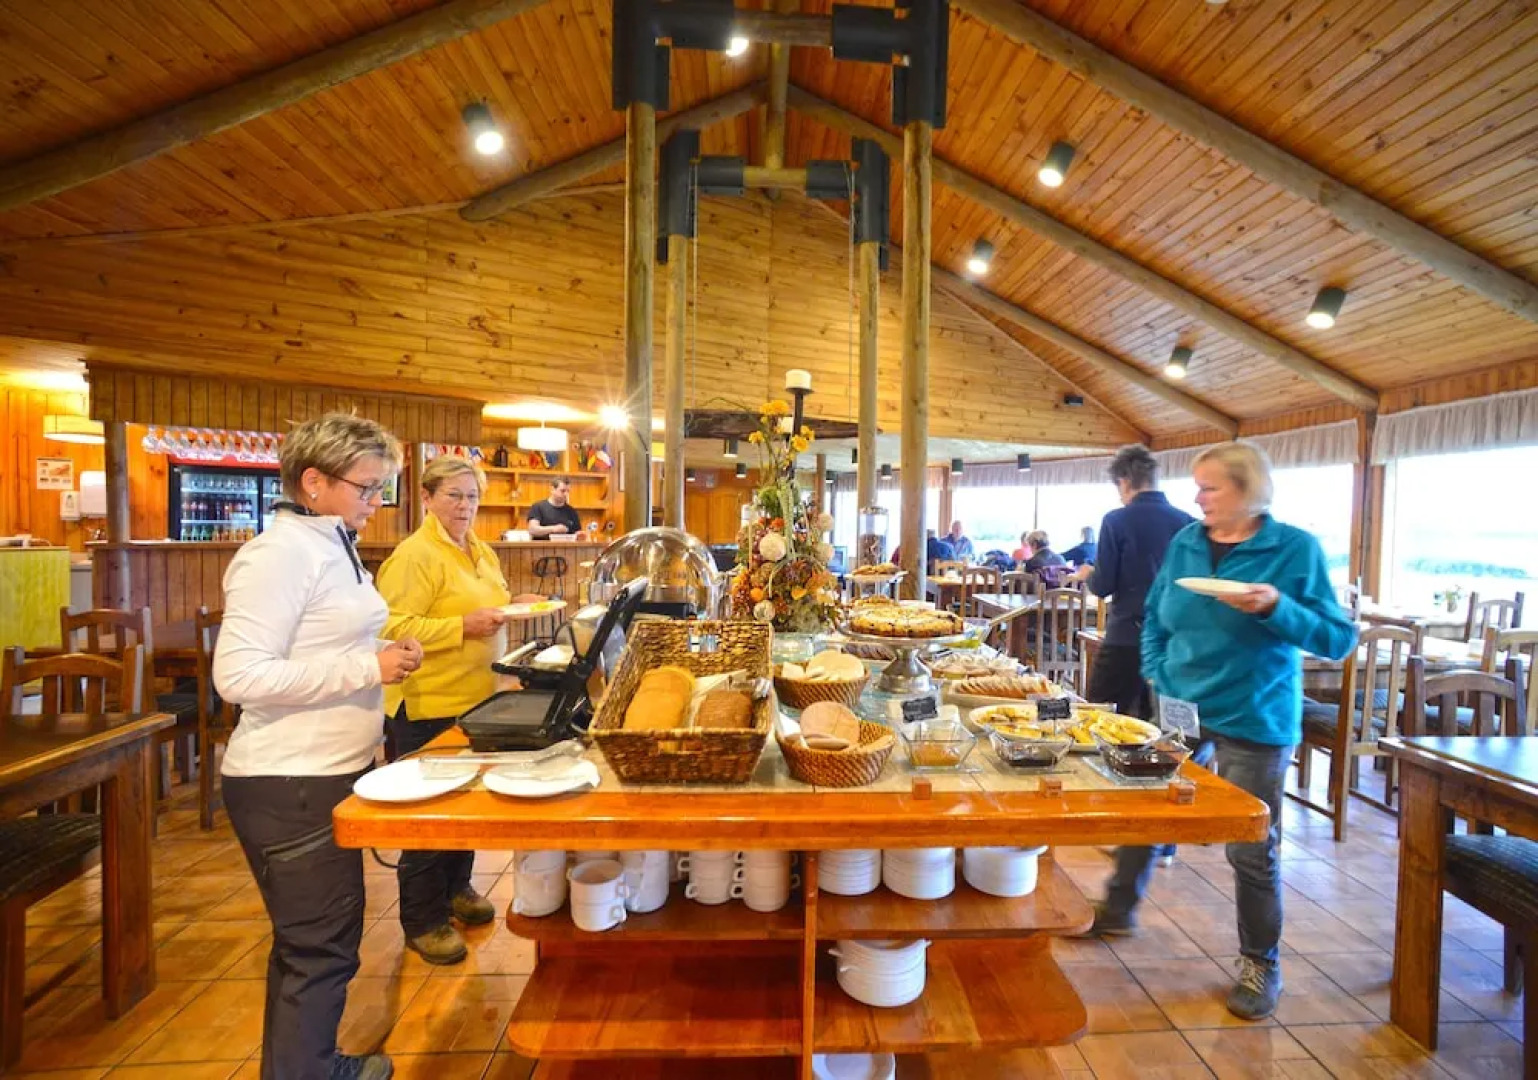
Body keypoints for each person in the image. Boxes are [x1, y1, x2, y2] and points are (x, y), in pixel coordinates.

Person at [1083, 441, 1356, 1023]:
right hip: (1181, 705)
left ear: (1248, 490)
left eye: (1210, 487)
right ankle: (1117, 909)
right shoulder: (1187, 540)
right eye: (1199, 486)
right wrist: (1157, 673)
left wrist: (1276, 607)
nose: (1198, 496)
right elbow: (1156, 617)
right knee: (1148, 808)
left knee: (1250, 845)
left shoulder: (1294, 549)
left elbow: (1337, 639)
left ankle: (1260, 963)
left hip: (1255, 714)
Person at [215, 413, 421, 1080]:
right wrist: (368, 668)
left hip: (325, 774)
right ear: (313, 481)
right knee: (320, 947)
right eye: (367, 487)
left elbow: (325, 643)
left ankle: (305, 1066)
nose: (377, 501)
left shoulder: (331, 542)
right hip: (288, 780)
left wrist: (382, 652)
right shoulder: (278, 555)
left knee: (314, 941)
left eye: (381, 487)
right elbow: (240, 676)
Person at [375, 457, 510, 965]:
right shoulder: (415, 555)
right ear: (428, 498)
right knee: (428, 818)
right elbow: (390, 628)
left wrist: (512, 606)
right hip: (428, 702)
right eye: (454, 495)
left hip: (475, 697)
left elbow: (487, 605)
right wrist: (461, 628)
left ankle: (457, 888)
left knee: (464, 807)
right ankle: (422, 919)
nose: (464, 505)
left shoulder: (479, 549)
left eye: (472, 496)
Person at [1066, 447, 1192, 720]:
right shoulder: (1187, 523)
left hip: (1126, 634)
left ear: (1123, 482)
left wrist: (1088, 573)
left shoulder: (1116, 520)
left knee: (1098, 718)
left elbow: (1103, 586)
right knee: (1160, 727)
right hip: (1172, 641)